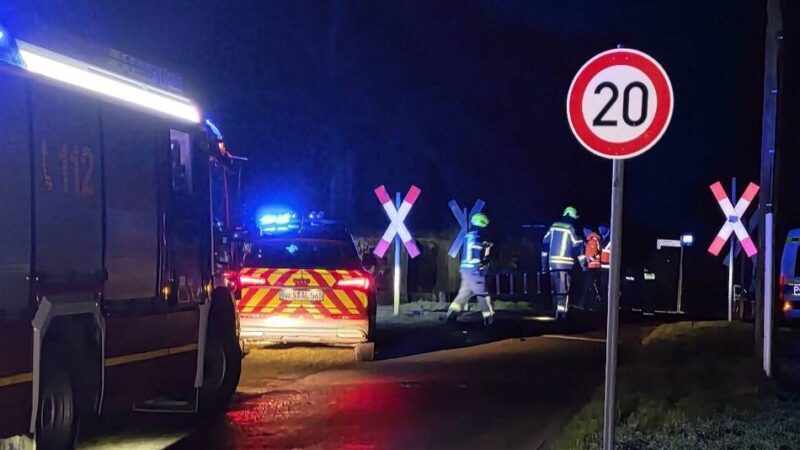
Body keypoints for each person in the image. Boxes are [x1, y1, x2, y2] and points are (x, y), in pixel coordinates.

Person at [446, 212, 495, 325]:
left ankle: (450, 315)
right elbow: (480, 255)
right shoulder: (477, 236)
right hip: (474, 271)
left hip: (465, 270)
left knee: (463, 295)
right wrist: (486, 253)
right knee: (483, 294)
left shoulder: (468, 236)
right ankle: (489, 319)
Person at [541, 206, 585, 319]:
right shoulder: (570, 228)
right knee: (563, 290)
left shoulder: (553, 226)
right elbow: (576, 244)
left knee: (555, 290)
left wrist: (544, 266)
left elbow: (545, 240)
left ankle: (555, 310)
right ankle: (561, 314)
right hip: (564, 265)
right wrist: (583, 265)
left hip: (552, 265)